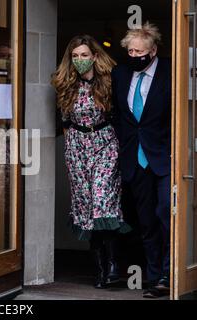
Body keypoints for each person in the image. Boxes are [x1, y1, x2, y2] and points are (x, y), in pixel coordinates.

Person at [51, 35, 130, 289]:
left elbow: (120, 114)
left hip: (105, 142)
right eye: (75, 56)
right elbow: (63, 121)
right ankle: (100, 270)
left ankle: (115, 266)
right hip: (76, 146)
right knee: (86, 209)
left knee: (103, 201)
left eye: (84, 55)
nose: (80, 60)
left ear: (95, 56)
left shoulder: (109, 80)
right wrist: (71, 151)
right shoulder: (65, 84)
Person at [111, 22, 171, 298]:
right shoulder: (121, 74)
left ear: (153, 50)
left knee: (165, 215)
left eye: (139, 51)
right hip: (134, 159)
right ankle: (155, 277)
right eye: (130, 51)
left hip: (165, 158)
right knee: (146, 222)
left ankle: (172, 275)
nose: (134, 56)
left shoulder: (170, 72)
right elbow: (120, 117)